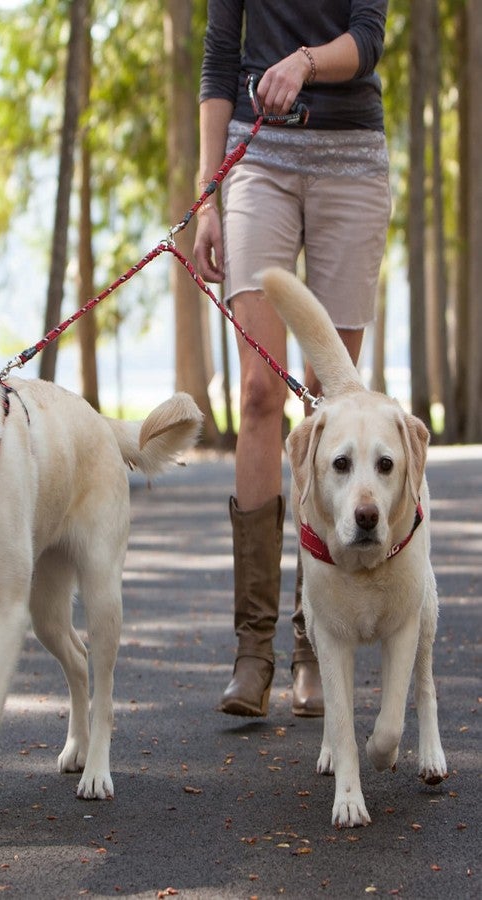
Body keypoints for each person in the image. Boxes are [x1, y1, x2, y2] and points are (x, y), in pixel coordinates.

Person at [193, 1, 391, 718]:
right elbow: (220, 60)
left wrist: (306, 62)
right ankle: (253, 651)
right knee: (258, 394)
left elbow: (367, 39)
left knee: (328, 402)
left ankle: (315, 640)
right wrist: (207, 194)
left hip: (351, 162)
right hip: (259, 159)